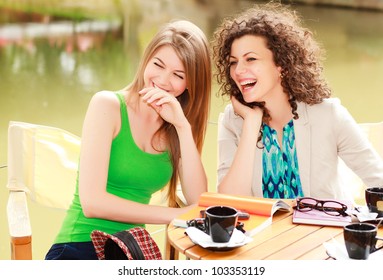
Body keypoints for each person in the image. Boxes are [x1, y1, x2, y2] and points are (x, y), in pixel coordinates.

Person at [45, 20, 211, 260]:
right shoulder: (107, 105)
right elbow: (93, 203)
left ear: (191, 84)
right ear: (146, 58)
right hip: (80, 243)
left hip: (129, 249)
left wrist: (183, 127)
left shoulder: (177, 124)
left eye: (178, 75)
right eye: (158, 64)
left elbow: (197, 201)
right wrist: (173, 215)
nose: (163, 80)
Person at [212, 2, 383, 200]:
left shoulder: (328, 114)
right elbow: (229, 203)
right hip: (262, 232)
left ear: (281, 65)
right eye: (233, 62)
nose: (238, 71)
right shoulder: (233, 120)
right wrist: (251, 124)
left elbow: (378, 179)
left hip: (326, 230)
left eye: (250, 59)